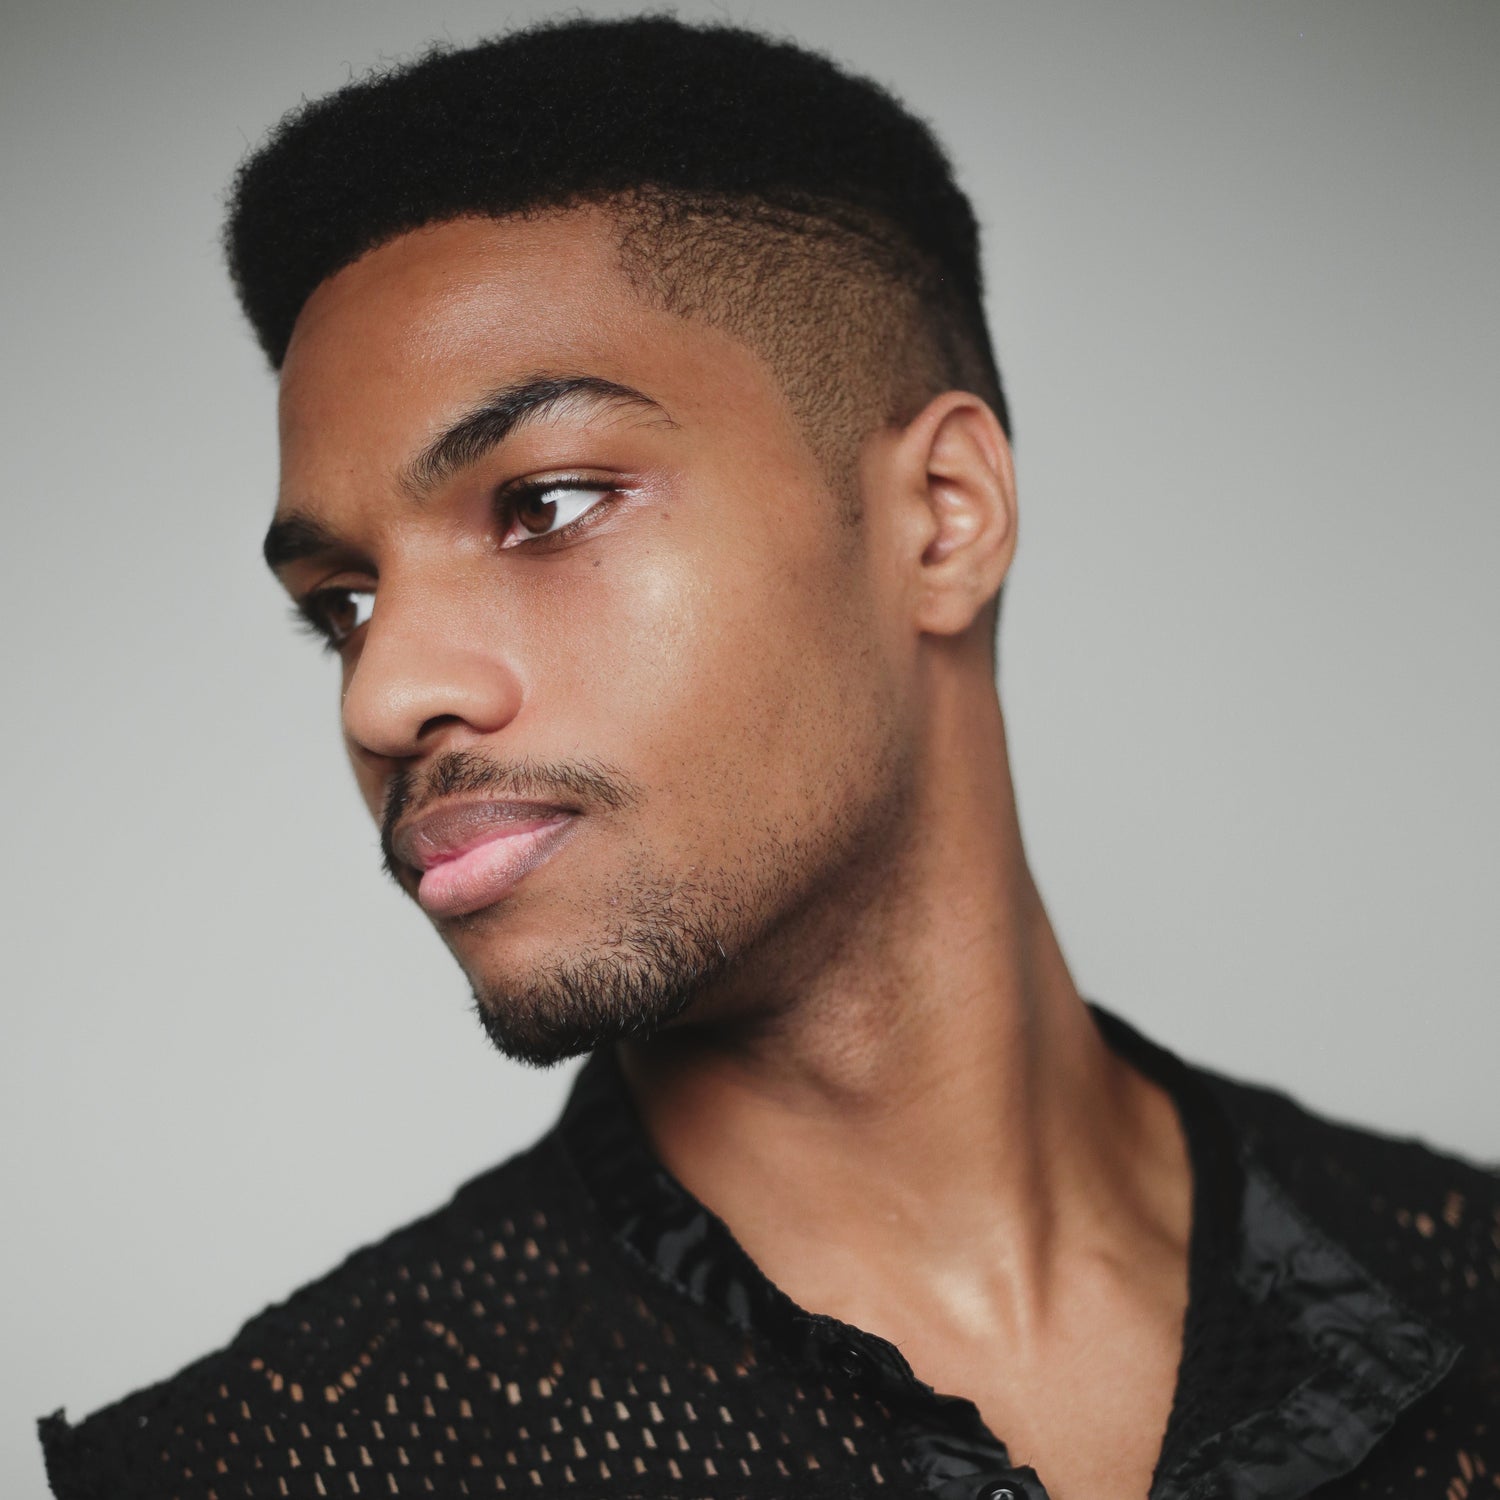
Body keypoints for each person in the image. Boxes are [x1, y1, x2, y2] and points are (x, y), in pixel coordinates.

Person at [37, 15, 1496, 1500]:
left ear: (942, 515)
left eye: (543, 506)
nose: (384, 691)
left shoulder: (1469, 1282)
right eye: (341, 606)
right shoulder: (248, 1473)